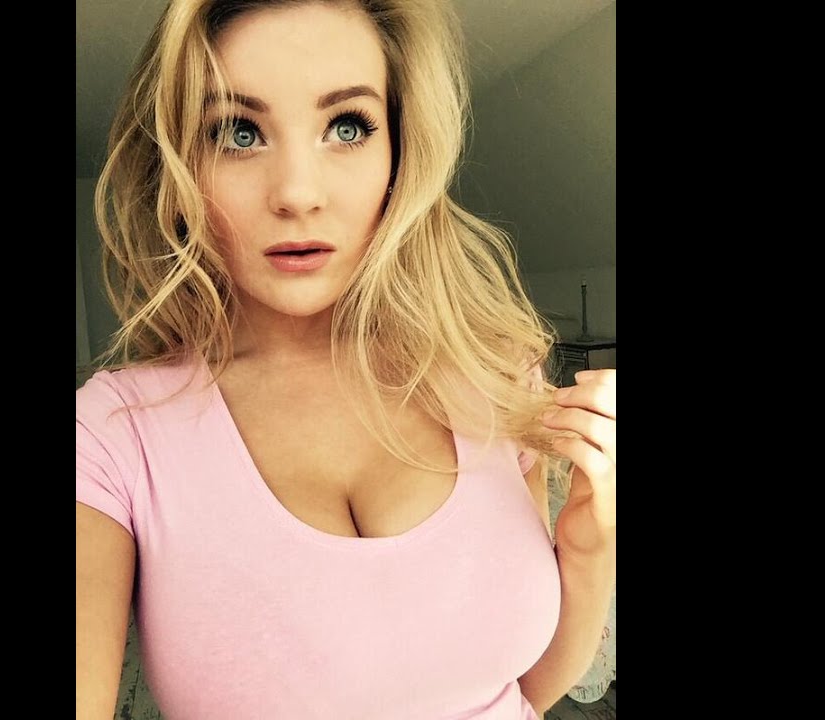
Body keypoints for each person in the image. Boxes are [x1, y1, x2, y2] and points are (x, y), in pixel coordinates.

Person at [76, 1, 616, 717]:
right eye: (238, 132)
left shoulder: (494, 370)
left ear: (401, 154)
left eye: (347, 126)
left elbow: (520, 692)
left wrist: (590, 548)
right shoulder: (113, 438)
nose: (298, 194)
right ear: (178, 168)